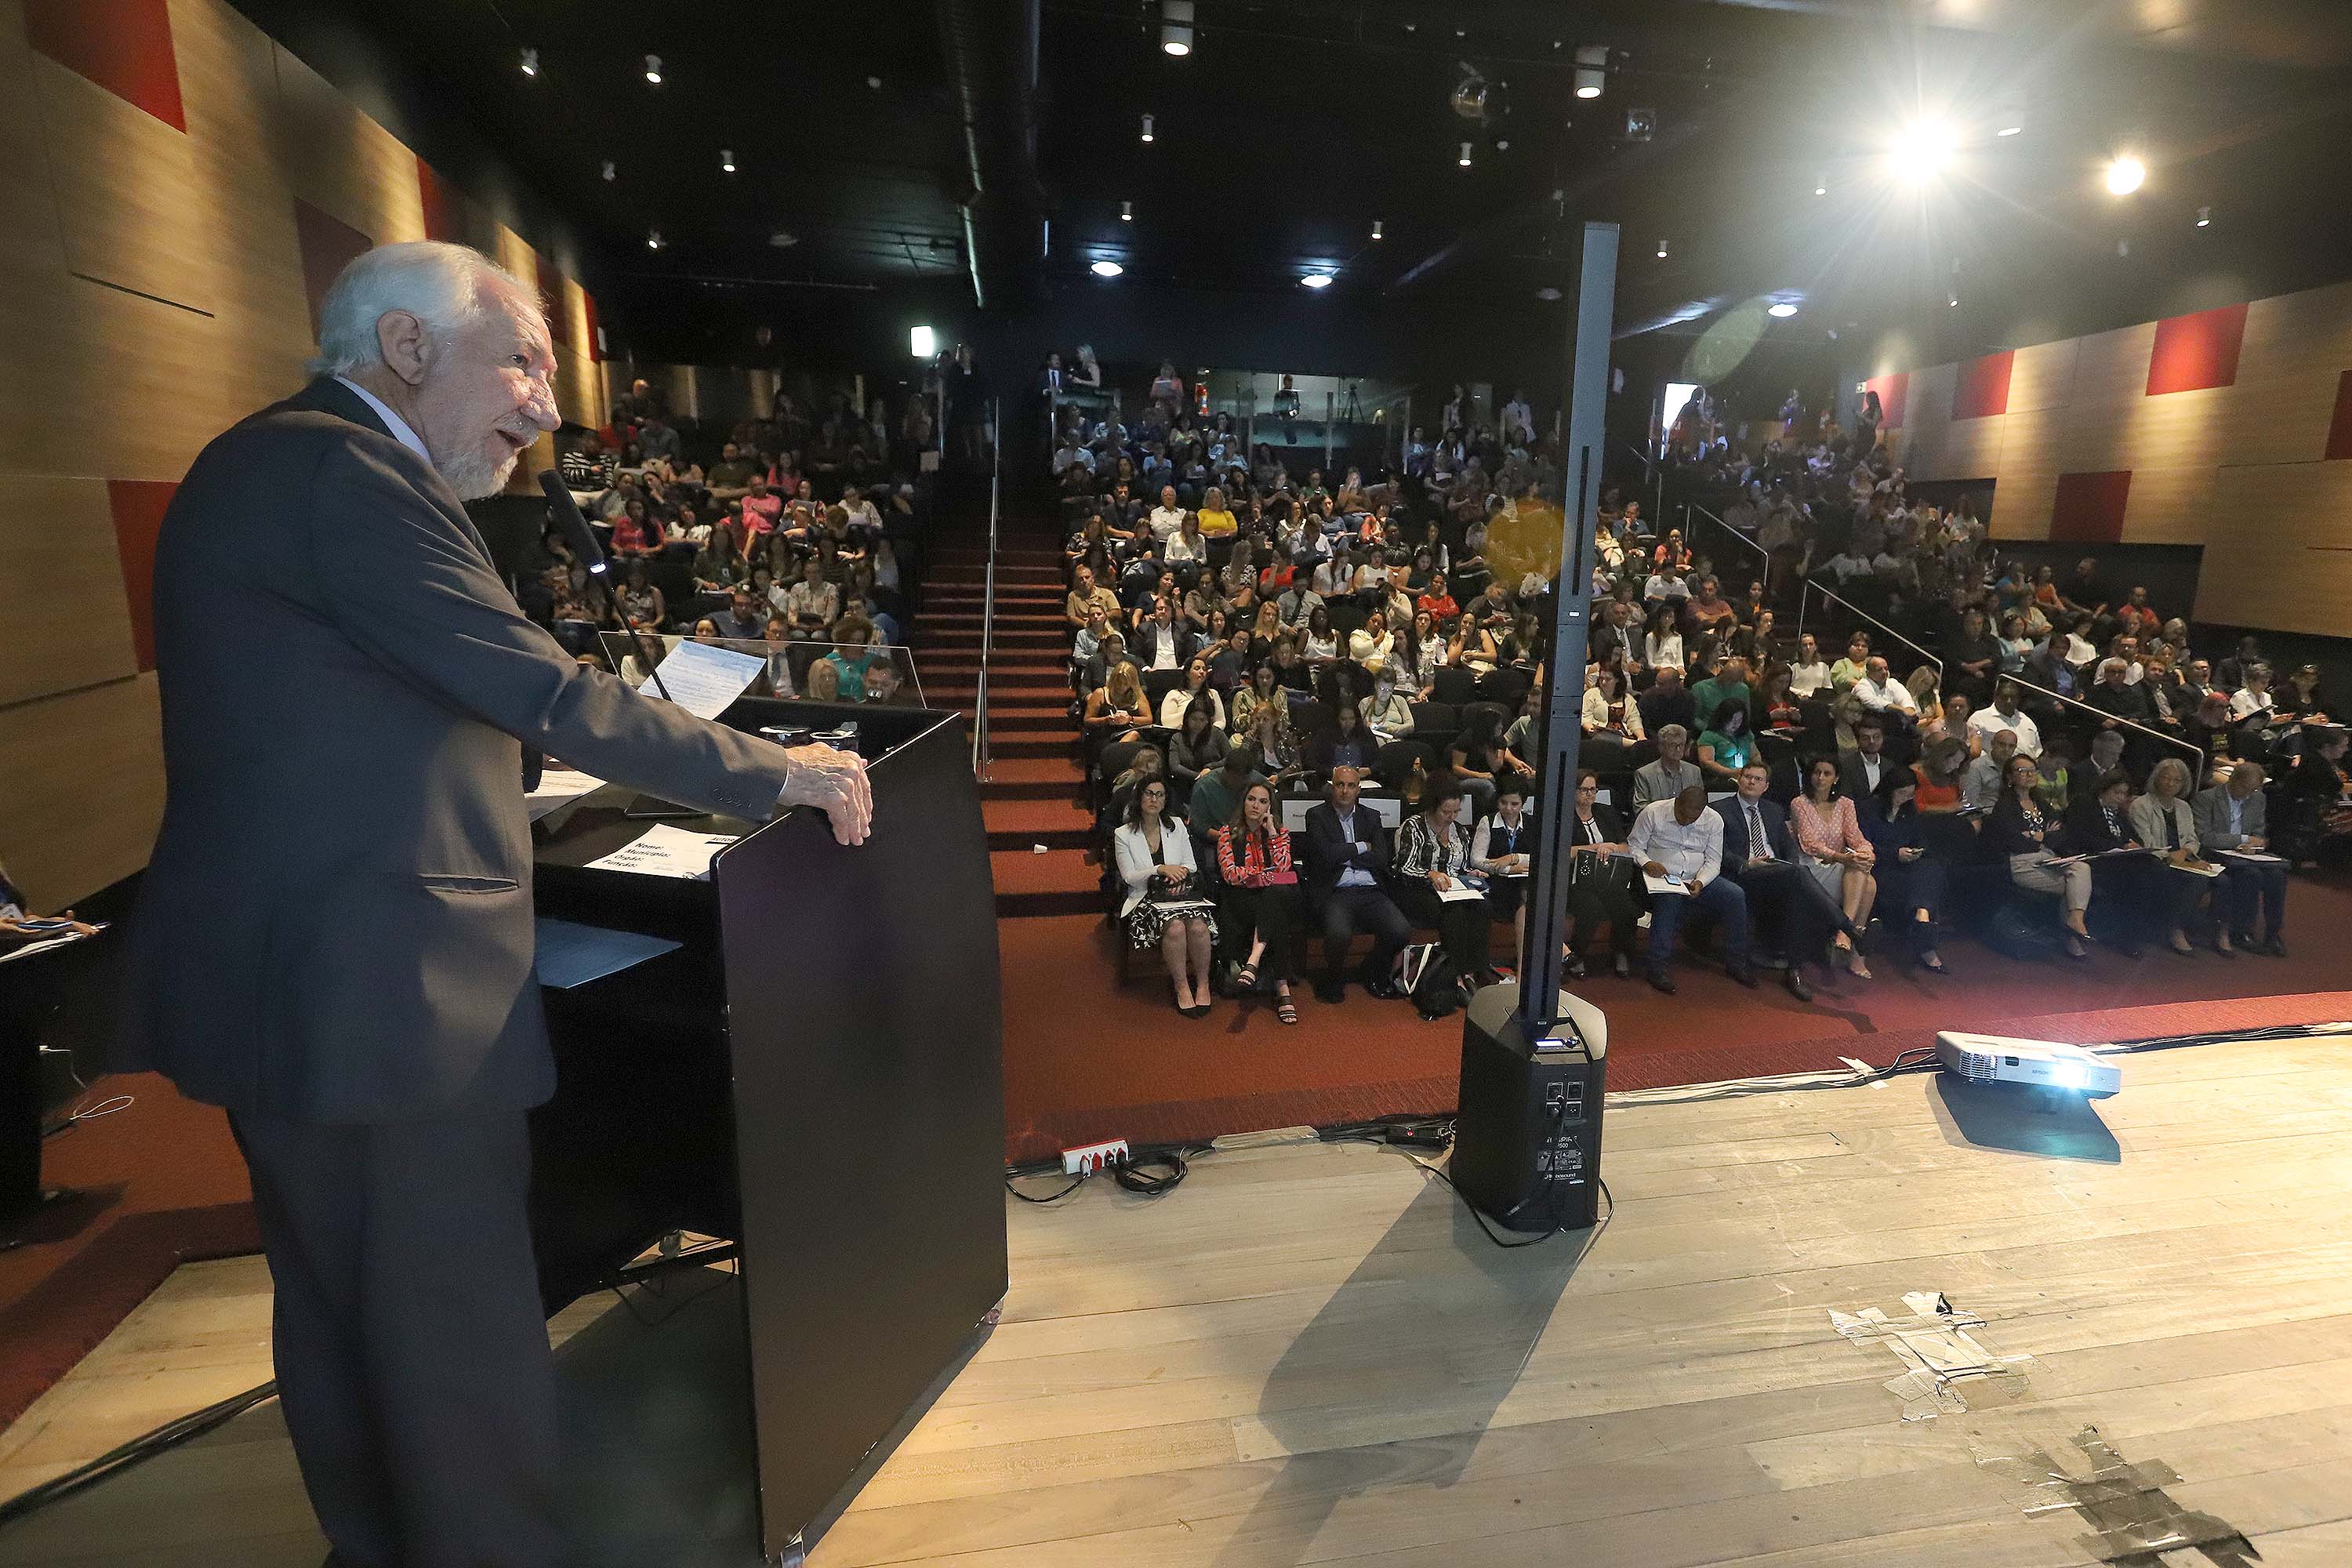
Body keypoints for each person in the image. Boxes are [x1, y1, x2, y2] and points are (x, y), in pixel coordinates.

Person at [118, 241, 872, 1568]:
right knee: (448, 1333)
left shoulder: (269, 462)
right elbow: (549, 691)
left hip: (299, 971)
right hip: (382, 987)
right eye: (522, 361)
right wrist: (783, 772)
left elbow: (358, 718)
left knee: (346, 1312)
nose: (546, 405)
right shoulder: (347, 470)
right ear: (406, 346)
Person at [1715, 760, 1845, 999]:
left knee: (1797, 886)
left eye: (1758, 779)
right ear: (1739, 779)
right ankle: (1848, 929)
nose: (1752, 782)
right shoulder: (1719, 809)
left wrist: (1790, 865)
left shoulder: (1774, 810)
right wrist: (1745, 863)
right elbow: (1716, 849)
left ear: (1766, 786)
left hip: (1777, 872)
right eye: (1748, 777)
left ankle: (1794, 970)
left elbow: (1788, 846)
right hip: (1745, 872)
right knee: (1799, 876)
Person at [1628, 783, 1755, 994]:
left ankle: (1737, 962)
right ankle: (1657, 966)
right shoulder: (1653, 812)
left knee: (1735, 895)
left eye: (1692, 818)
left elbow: (1714, 861)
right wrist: (1646, 862)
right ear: (1676, 802)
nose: (1685, 821)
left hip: (1696, 877)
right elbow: (1634, 846)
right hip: (1660, 877)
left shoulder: (1714, 820)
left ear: (1702, 812)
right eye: (1682, 815)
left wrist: (1701, 881)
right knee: (1669, 899)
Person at [1300, 765, 1413, 1003]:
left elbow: (1381, 858)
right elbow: (1325, 856)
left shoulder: (1371, 816)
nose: (1345, 791)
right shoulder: (1316, 815)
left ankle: (1371, 969)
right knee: (1339, 934)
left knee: (1401, 930)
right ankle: (1333, 978)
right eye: (1340, 785)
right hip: (1336, 891)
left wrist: (1344, 854)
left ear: (1358, 789)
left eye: (1351, 785)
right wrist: (1362, 847)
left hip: (1371, 890)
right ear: (1332, 787)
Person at [1116, 776, 1218, 1014]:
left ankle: (1203, 985)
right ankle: (1182, 987)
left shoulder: (1177, 825)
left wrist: (1177, 878)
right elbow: (1129, 876)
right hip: (1145, 898)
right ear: (1139, 797)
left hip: (1181, 893)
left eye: (1160, 795)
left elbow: (1191, 865)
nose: (1154, 799)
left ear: (1165, 800)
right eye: (1149, 793)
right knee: (1175, 928)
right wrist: (1159, 869)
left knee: (1199, 927)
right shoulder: (1123, 834)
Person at [1985, 751, 2094, 960]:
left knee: (2082, 868)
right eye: (2022, 771)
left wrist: (2035, 835)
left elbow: (2062, 834)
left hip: (2048, 858)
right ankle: (2072, 936)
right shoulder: (2005, 806)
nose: (2029, 775)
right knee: (2075, 886)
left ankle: (2075, 920)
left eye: (2032, 770)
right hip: (2021, 862)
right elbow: (2013, 841)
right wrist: (2044, 836)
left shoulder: (2042, 804)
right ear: (2010, 777)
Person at [1393, 773, 1494, 992]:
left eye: (1456, 812)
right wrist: (1430, 874)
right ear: (1433, 806)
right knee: (1453, 912)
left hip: (1453, 889)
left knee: (1483, 906)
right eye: (1446, 812)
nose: (1451, 817)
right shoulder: (1413, 827)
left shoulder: (1460, 831)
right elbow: (1403, 868)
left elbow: (1461, 867)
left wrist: (1473, 874)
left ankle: (1476, 969)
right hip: (1418, 889)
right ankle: (1455, 974)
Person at [1216, 781, 1305, 1022]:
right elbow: (1230, 874)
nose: (1256, 805)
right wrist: (1264, 876)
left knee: (1276, 895)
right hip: (1242, 900)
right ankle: (1283, 989)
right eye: (1251, 799)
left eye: (1263, 801)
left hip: (1272, 898)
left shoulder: (1281, 833)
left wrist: (1272, 834)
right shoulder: (1228, 832)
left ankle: (1253, 960)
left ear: (1270, 807)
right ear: (1243, 802)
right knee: (1277, 906)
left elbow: (1284, 868)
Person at [1788, 755, 1878, 978]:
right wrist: (1842, 858)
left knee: (1867, 880)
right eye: (1816, 773)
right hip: (1811, 869)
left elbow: (1855, 837)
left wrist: (1867, 853)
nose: (1820, 778)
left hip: (1841, 868)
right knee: (1865, 880)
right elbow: (1809, 844)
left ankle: (1846, 936)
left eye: (1827, 773)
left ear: (1836, 778)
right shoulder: (1799, 803)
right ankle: (1850, 941)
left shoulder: (1846, 804)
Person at [2129, 757, 2224, 955]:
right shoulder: (2141, 805)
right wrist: (2178, 858)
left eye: (2177, 780)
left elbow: (2192, 839)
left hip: (2184, 858)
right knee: (2196, 881)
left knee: (2224, 881)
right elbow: (2147, 843)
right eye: (2166, 778)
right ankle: (2176, 929)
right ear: (2156, 778)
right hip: (2157, 861)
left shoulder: (2183, 807)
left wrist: (2186, 852)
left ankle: (2219, 932)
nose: (2170, 783)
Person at [2194, 761, 2288, 956]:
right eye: (2245, 788)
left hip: (2246, 855)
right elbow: (2205, 837)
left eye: (2253, 790)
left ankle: (2273, 933)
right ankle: (2242, 930)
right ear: (2233, 780)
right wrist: (2243, 839)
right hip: (2215, 854)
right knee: (2250, 875)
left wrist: (2255, 845)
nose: (2248, 794)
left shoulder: (2257, 799)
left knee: (2277, 876)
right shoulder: (2207, 798)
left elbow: (2258, 833)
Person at [1559, 770, 1639, 978]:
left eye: (1593, 789)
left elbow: (1624, 847)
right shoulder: (1564, 817)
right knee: (1591, 906)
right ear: (1573, 791)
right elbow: (1560, 852)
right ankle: (1577, 954)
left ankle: (1621, 951)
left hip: (1608, 877)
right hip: (1576, 879)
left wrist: (1612, 848)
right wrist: (1595, 848)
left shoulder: (1606, 812)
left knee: (1626, 905)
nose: (1590, 794)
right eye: (1584, 790)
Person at [1471, 779, 1535, 960]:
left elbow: (1539, 858)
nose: (1508, 809)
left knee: (1531, 893)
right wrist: (1507, 870)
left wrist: (1513, 858)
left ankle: (1524, 962)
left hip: (1525, 879)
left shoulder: (1531, 823)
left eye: (1514, 804)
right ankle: (1557, 953)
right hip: (1497, 882)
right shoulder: (1488, 821)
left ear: (1523, 804)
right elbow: (1476, 860)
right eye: (1503, 803)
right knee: (1527, 899)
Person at [1633, 724, 1704, 811]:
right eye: (1673, 745)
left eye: (1681, 745)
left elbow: (1699, 804)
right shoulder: (1644, 774)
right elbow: (1640, 809)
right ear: (1661, 747)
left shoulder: (1694, 772)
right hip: (1656, 820)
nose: (1678, 749)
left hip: (1689, 819)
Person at [1696, 699, 1759, 782]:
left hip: (1748, 777)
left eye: (1739, 720)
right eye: (1732, 720)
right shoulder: (1709, 735)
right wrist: (1730, 772)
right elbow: (1706, 762)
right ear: (1723, 718)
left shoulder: (1746, 734)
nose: (1735, 724)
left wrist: (1755, 771)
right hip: (1722, 779)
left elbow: (1755, 755)